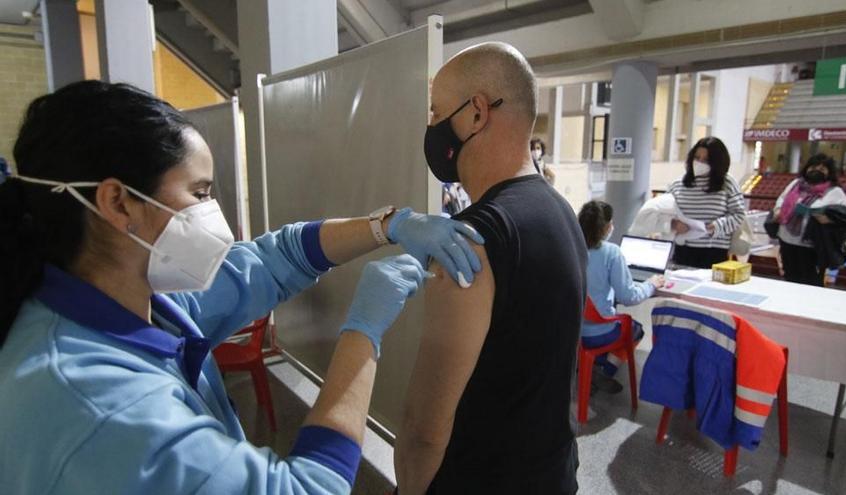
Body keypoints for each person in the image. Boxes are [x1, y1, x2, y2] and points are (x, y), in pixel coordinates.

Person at [0, 81, 486, 494]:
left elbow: (276, 258)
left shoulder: (137, 302)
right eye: (200, 193)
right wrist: (363, 332)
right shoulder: (99, 406)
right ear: (118, 203)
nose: (213, 214)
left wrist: (388, 225)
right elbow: (309, 488)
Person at [394, 43, 587, 495]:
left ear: (476, 113)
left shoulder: (471, 241)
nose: (432, 128)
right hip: (554, 474)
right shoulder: (561, 211)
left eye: (437, 112)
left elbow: (425, 429)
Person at [578, 201, 663, 393]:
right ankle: (605, 372)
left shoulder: (571, 247)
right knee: (636, 329)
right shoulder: (612, 252)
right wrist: (651, 284)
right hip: (600, 332)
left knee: (609, 318)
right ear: (607, 227)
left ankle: (590, 367)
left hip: (573, 329)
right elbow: (628, 296)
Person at [773, 154, 846, 286]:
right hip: (787, 240)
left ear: (829, 172)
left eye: (822, 168)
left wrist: (827, 218)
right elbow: (781, 199)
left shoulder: (835, 191)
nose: (817, 170)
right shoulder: (795, 184)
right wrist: (778, 210)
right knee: (790, 278)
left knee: (811, 281)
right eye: (814, 166)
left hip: (813, 246)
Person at [668, 137, 746, 268]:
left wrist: (716, 226)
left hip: (714, 250)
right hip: (683, 248)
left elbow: (738, 214)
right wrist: (674, 224)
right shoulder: (678, 184)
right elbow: (662, 213)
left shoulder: (727, 183)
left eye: (706, 160)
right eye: (697, 158)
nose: (699, 163)